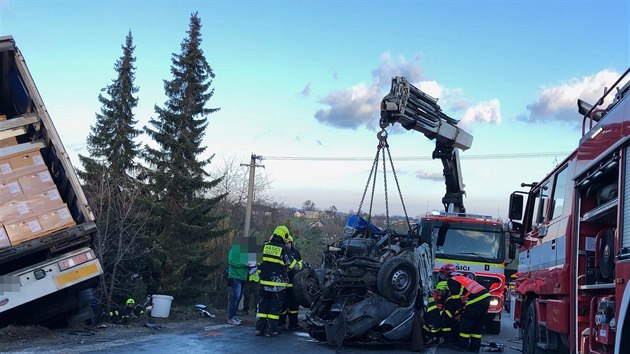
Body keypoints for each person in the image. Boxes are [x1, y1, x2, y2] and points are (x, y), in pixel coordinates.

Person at [255, 226, 302, 337]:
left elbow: (257, 263)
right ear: (283, 236)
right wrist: (301, 264)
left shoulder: (264, 246)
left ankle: (259, 329)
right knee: (274, 309)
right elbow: (294, 265)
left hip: (264, 283)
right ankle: (271, 331)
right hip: (278, 285)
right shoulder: (283, 249)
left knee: (263, 307)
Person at [439, 263, 490, 353]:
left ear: (447, 273)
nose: (442, 276)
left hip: (476, 299)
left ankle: (461, 346)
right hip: (486, 297)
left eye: (443, 273)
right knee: (477, 325)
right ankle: (474, 348)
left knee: (466, 323)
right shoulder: (462, 278)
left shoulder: (452, 280)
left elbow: (455, 297)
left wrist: (460, 310)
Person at [279, 235, 303, 331]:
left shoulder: (296, 253)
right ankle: (281, 323)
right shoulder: (281, 251)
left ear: (292, 243)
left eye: (289, 243)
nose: (287, 244)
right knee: (282, 305)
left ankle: (293, 324)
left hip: (293, 284)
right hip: (283, 283)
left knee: (294, 306)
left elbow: (300, 265)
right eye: (286, 243)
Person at [227, 239, 249, 325]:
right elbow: (231, 262)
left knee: (238, 297)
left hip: (243, 277)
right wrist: (243, 264)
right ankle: (231, 317)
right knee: (235, 297)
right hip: (235, 276)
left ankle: (233, 316)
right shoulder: (234, 250)